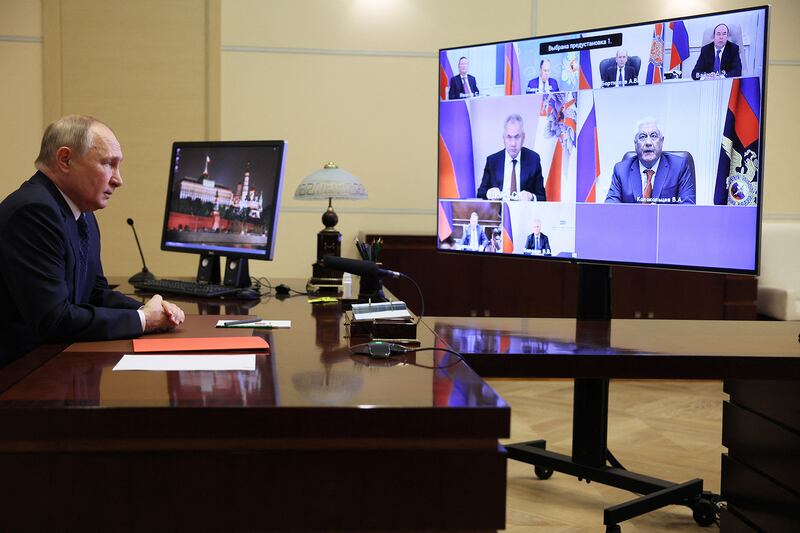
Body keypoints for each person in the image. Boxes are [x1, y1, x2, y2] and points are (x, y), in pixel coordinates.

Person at [0, 115, 185, 366]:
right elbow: (54, 320)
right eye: (108, 164)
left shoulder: (81, 213)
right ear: (65, 159)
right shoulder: (33, 212)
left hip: (57, 362)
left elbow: (94, 294)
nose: (119, 180)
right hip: (19, 375)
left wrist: (153, 310)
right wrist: (144, 320)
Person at [605, 118, 696, 204]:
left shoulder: (679, 167)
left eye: (653, 136)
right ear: (635, 143)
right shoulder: (621, 170)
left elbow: (687, 209)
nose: (648, 142)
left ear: (661, 141)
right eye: (642, 137)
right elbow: (610, 209)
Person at [477, 114, 546, 201]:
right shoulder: (492, 161)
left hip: (524, 212)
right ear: (503, 138)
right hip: (499, 213)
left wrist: (531, 197)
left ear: (523, 137)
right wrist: (489, 193)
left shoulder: (533, 159)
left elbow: (542, 197)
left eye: (517, 137)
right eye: (509, 137)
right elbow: (480, 193)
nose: (513, 143)